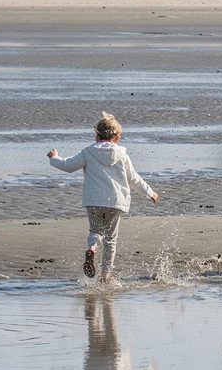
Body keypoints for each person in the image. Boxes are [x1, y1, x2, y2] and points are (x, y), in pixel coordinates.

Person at [47, 111, 158, 284]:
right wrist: (149, 192)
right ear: (117, 138)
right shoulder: (122, 155)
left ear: (97, 136)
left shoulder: (88, 152)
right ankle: (105, 275)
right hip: (115, 202)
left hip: (94, 201)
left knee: (96, 231)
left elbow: (68, 166)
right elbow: (133, 178)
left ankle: (92, 247)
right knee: (111, 239)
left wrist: (54, 158)